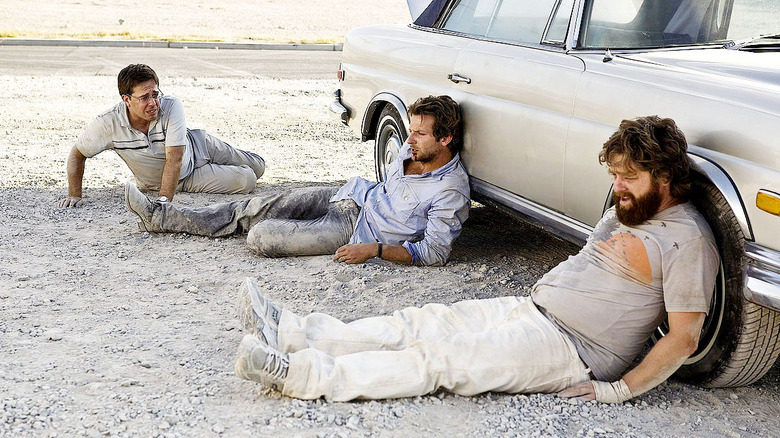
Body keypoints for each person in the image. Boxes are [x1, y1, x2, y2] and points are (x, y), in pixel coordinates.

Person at [232, 115, 720, 403]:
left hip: (572, 349)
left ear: (666, 175)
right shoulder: (631, 207)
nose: (617, 188)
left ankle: (302, 376)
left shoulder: (687, 240)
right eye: (614, 175)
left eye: (629, 178)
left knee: (442, 360)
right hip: (531, 308)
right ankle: (294, 333)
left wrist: (619, 391)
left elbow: (683, 337)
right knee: (416, 322)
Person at [124, 95, 470, 266]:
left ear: (445, 139)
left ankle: (240, 225)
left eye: (420, 134)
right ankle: (159, 217)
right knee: (252, 206)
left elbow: (434, 253)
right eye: (411, 131)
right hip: (349, 197)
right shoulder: (413, 152)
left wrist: (374, 250)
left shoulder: (451, 190)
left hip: (357, 233)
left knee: (261, 236)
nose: (409, 141)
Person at [59, 64, 266, 208]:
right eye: (144, 97)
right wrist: (75, 195)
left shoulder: (172, 105)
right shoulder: (108, 123)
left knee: (258, 167)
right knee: (246, 179)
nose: (153, 102)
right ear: (126, 100)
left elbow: (175, 158)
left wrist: (163, 202)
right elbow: (77, 153)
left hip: (198, 145)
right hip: (184, 178)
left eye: (155, 94)